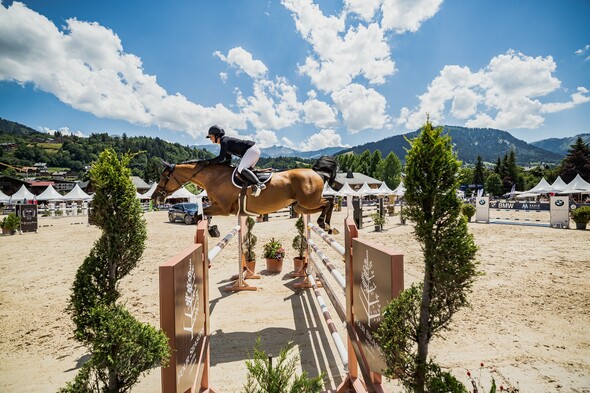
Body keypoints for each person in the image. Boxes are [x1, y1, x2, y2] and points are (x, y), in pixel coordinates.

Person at [204, 125, 266, 197]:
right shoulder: (226, 142)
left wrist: (209, 162)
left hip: (251, 150)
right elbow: (227, 161)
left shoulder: (224, 141)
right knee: (244, 172)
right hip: (253, 150)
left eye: (211, 137)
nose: (210, 139)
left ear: (217, 135)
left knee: (241, 169)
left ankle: (259, 184)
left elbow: (221, 158)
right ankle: (253, 186)